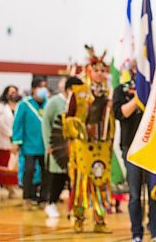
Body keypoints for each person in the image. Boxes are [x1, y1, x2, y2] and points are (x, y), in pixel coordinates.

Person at [112, 64, 156, 242]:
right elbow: (120, 113)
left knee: (154, 191)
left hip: (153, 147)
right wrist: (139, 98)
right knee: (135, 193)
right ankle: (137, 234)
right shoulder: (121, 90)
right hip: (131, 147)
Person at [64, 46, 115, 233]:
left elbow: (110, 121)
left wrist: (108, 138)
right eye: (96, 70)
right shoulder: (78, 92)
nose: (100, 73)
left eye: (103, 70)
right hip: (82, 146)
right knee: (81, 182)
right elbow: (68, 118)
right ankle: (78, 218)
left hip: (101, 145)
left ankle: (99, 220)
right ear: (89, 71)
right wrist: (79, 130)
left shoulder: (108, 94)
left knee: (101, 180)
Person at [42, 76, 83, 218]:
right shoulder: (54, 102)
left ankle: (73, 207)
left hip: (75, 147)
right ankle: (51, 203)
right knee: (57, 176)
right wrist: (48, 144)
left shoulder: (79, 103)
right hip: (57, 146)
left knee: (73, 177)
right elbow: (46, 123)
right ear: (69, 89)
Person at [12, 77, 49, 210]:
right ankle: (27, 197)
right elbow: (18, 124)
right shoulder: (25, 104)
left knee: (46, 172)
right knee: (29, 170)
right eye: (41, 87)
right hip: (29, 145)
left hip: (45, 145)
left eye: (45, 87)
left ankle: (43, 198)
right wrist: (16, 141)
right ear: (34, 89)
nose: (43, 90)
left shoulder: (48, 103)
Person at [0, 85, 20, 197]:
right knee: (4, 165)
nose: (13, 94)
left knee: (14, 165)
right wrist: (11, 135)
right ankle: (8, 188)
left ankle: (13, 187)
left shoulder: (20, 105)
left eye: (14, 92)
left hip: (16, 140)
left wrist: (17, 137)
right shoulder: (1, 106)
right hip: (4, 140)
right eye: (10, 92)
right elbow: (0, 123)